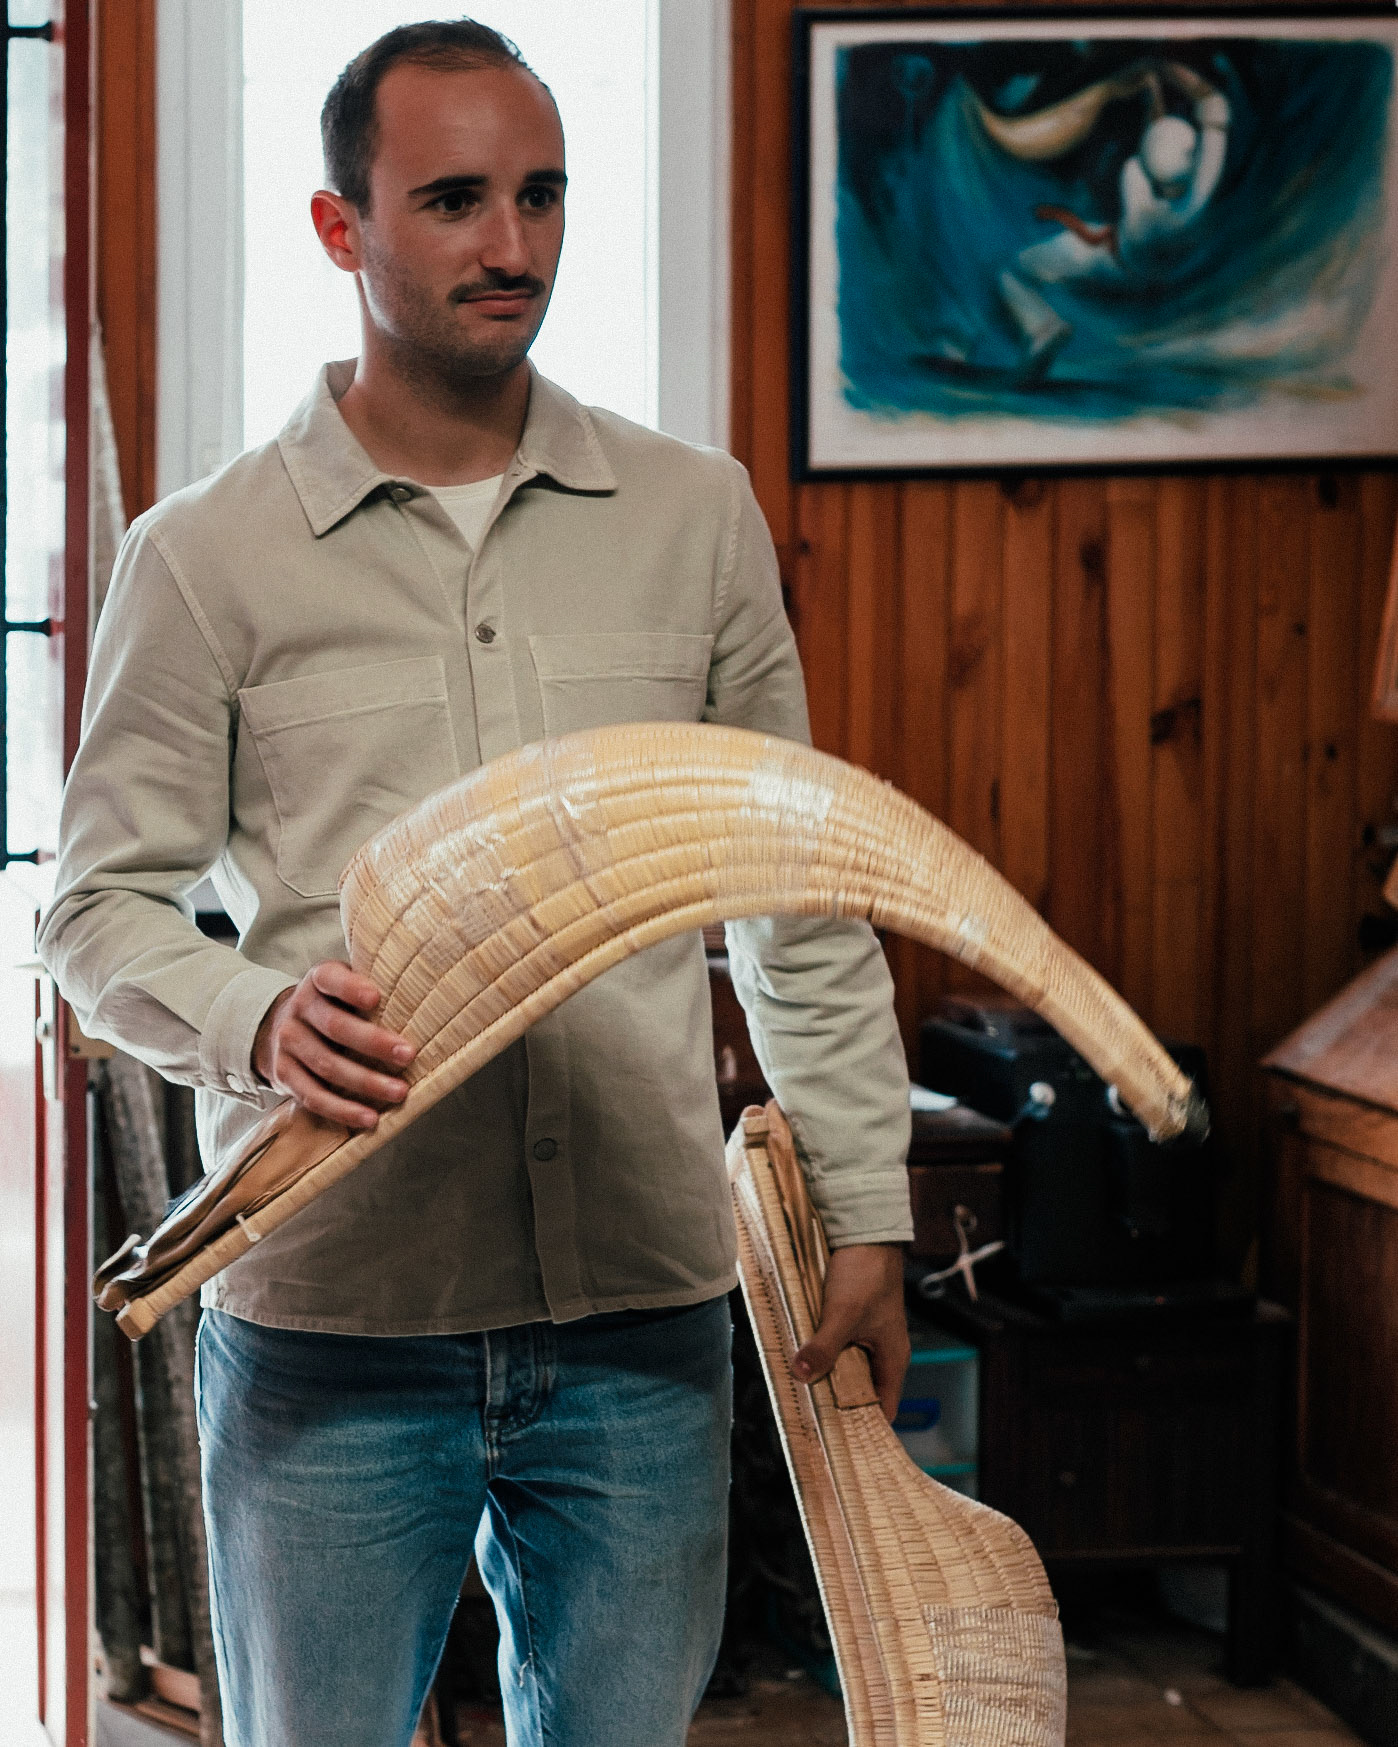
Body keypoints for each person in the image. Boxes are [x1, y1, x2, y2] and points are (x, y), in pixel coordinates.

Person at [40, 20, 913, 1747]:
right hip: (331, 1325)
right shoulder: (200, 558)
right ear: (338, 227)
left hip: (645, 1321)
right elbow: (94, 910)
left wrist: (868, 1207)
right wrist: (257, 1016)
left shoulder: (696, 517)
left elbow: (790, 897)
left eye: (539, 195)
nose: (512, 245)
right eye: (451, 200)